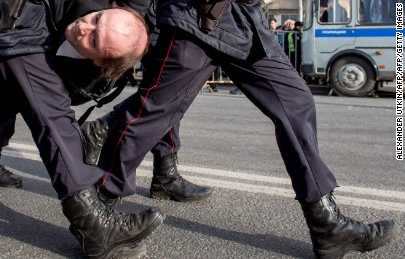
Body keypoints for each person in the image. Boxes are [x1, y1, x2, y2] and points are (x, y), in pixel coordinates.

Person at [85, 0, 398, 258]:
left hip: (244, 21)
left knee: (297, 103)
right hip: (194, 19)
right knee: (151, 114)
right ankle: (97, 215)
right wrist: (130, 12)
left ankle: (327, 225)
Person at [0, 1, 166, 258]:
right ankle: (94, 226)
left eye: (94, 38)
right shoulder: (83, 8)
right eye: (95, 19)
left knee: (52, 110)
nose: (84, 26)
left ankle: (93, 225)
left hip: (14, 17)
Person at [0, 0, 214, 202]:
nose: (85, 28)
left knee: (167, 93)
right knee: (12, 82)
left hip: (152, 21)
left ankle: (162, 168)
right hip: (115, 15)